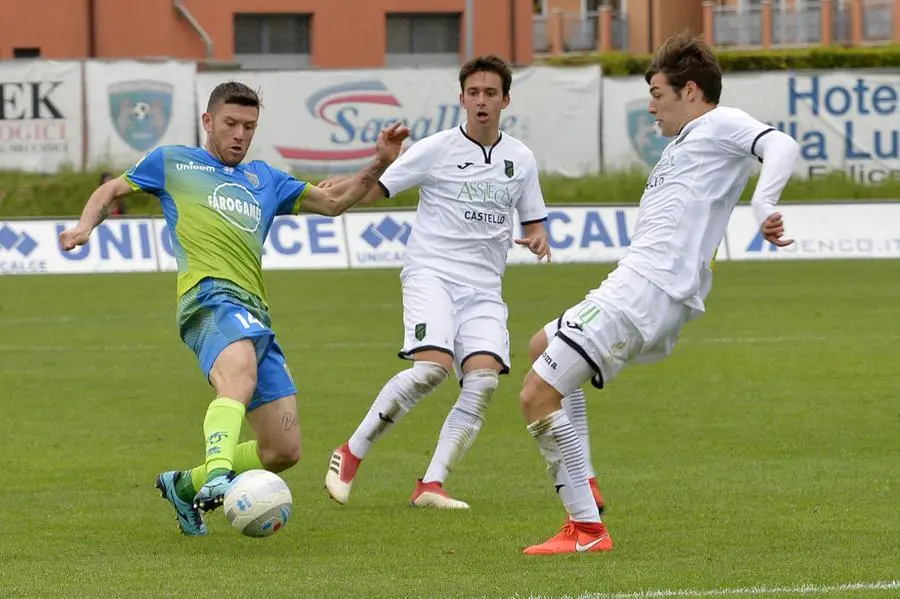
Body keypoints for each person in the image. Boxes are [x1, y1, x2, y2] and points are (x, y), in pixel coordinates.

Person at [59, 82, 410, 536]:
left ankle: (185, 486)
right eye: (230, 124)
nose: (240, 134)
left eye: (249, 126)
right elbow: (111, 189)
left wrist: (380, 162)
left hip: (254, 311)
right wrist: (85, 226)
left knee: (283, 449)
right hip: (206, 297)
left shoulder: (266, 179)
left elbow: (335, 201)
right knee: (238, 373)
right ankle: (219, 476)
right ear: (208, 121)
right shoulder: (173, 162)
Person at [517, 31, 801, 555]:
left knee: (536, 395)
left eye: (657, 94)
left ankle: (586, 530)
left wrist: (764, 205)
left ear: (690, 91)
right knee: (541, 347)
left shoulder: (718, 123)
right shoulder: (684, 144)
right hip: (636, 284)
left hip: (646, 291)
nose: (651, 106)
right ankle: (587, 483)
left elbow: (780, 144)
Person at [322, 54, 560, 510]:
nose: (482, 101)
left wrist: (538, 239)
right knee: (432, 369)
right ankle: (350, 453)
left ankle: (431, 485)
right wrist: (344, 185)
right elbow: (375, 189)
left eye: (491, 93)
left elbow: (534, 222)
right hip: (432, 273)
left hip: (484, 288)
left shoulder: (521, 158)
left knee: (483, 382)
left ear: (506, 100)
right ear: (462, 99)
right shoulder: (436, 148)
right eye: (474, 93)